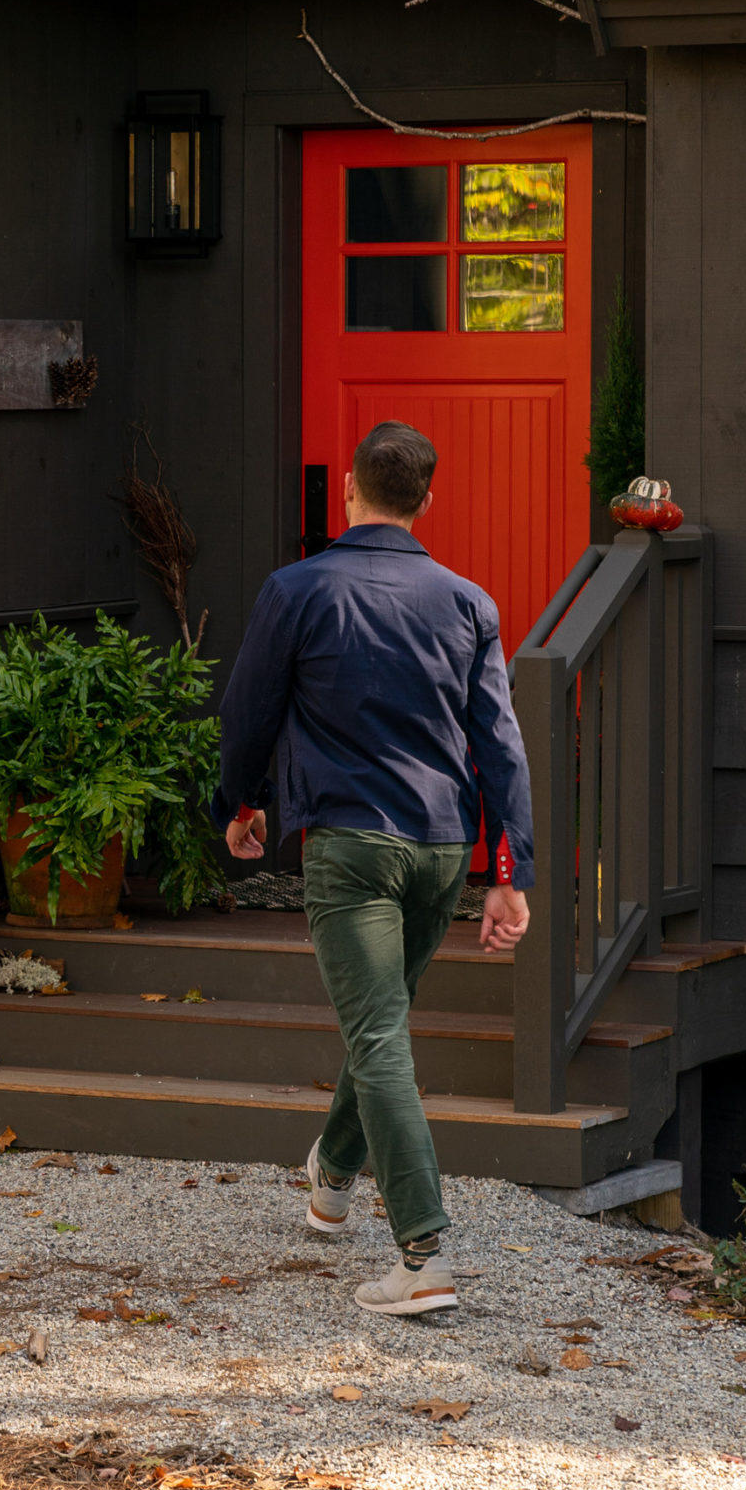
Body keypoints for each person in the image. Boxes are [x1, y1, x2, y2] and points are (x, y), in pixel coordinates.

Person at [215, 419, 533, 1319]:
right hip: (441, 852)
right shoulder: (470, 603)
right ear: (426, 500)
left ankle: (424, 1255)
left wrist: (237, 806)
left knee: (380, 1037)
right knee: (381, 1023)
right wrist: (507, 872)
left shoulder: (296, 589)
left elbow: (249, 713)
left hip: (351, 850)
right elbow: (500, 749)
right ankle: (332, 1180)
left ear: (349, 489)